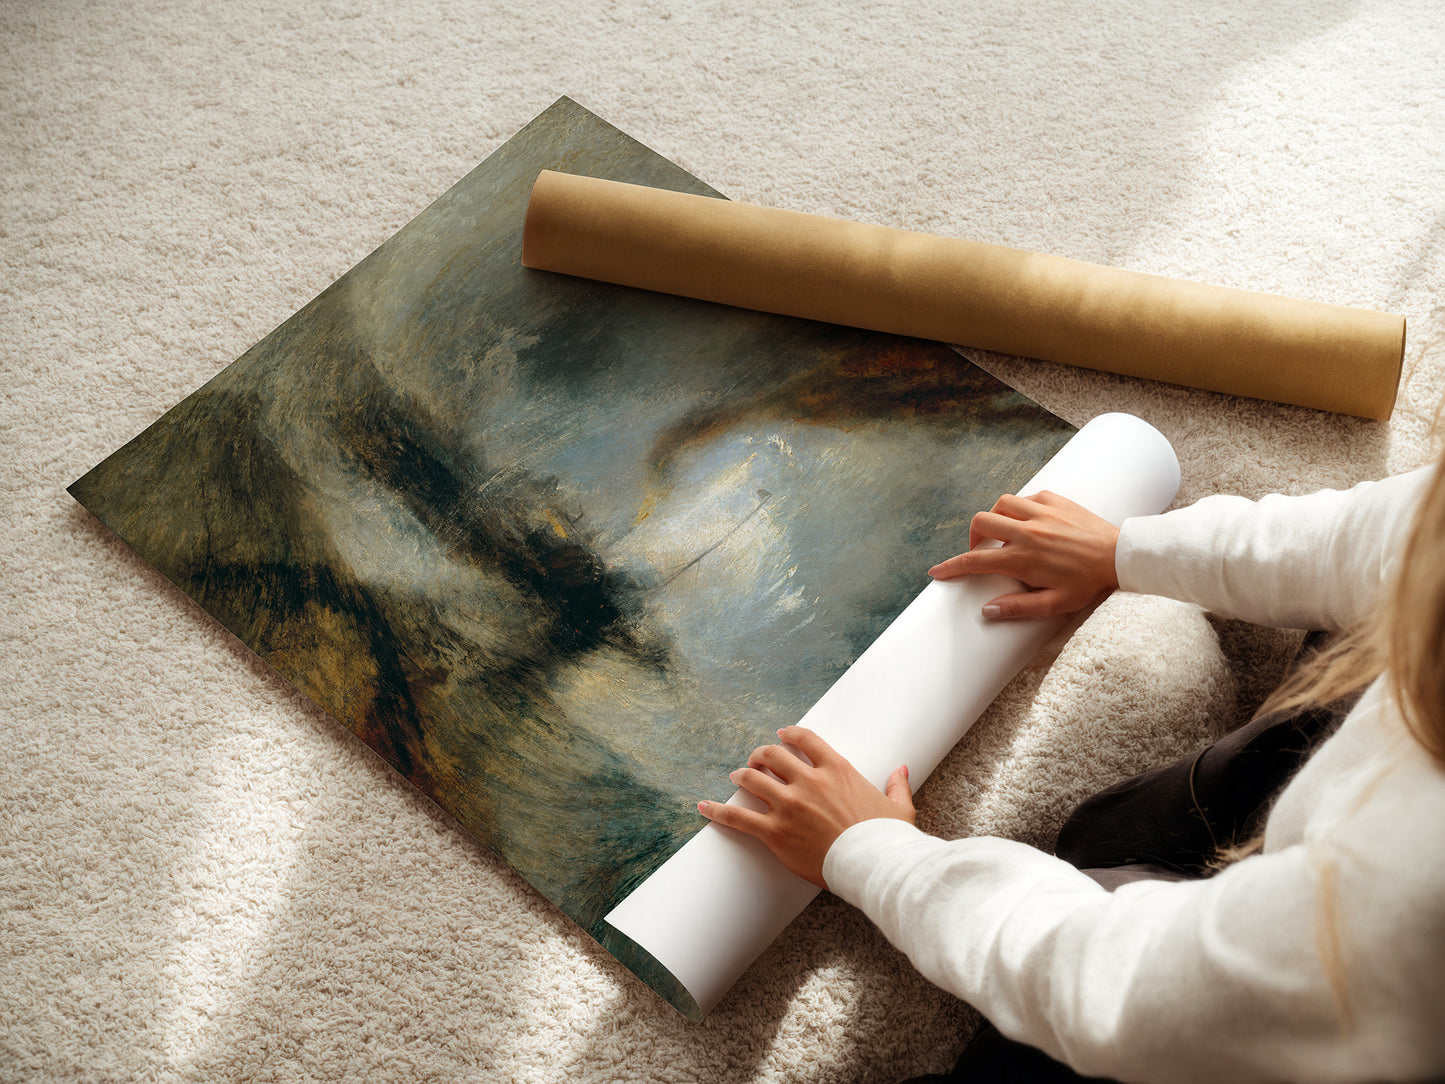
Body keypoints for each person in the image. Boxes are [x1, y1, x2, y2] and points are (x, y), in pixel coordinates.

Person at [697, 462, 1445, 1082]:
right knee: (1109, 834)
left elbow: (1122, 989)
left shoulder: (1410, 897)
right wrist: (1124, 550)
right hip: (1348, 871)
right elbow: (1390, 534)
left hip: (1336, 1019)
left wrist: (872, 854)